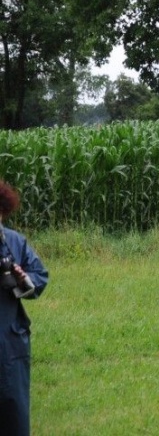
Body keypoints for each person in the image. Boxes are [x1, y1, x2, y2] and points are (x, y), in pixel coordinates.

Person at [0, 180, 49, 436]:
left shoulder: (15, 243)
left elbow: (40, 278)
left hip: (10, 346)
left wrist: (21, 280)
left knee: (14, 417)